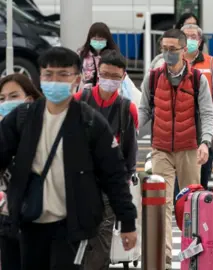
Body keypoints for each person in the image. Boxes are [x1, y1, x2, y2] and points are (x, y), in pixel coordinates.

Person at [0, 47, 137, 269]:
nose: (55, 80)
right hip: (29, 220)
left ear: (77, 79)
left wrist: (128, 222)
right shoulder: (23, 117)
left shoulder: (90, 122)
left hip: (71, 225)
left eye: (63, 74)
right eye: (48, 74)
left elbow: (114, 175)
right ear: (40, 77)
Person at [137, 29, 213, 270]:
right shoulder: (152, 78)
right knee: (162, 204)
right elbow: (144, 111)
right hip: (161, 149)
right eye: (164, 48)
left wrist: (205, 142)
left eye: (172, 49)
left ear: (184, 50)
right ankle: (165, 258)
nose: (167, 53)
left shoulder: (197, 79)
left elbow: (207, 113)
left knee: (190, 206)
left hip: (189, 149)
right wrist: (131, 134)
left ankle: (193, 255)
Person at [73, 49, 139, 269]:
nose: (109, 80)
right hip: (77, 184)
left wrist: (123, 184)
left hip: (108, 187)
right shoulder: (79, 100)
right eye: (105, 74)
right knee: (73, 242)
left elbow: (130, 152)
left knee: (101, 243)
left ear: (123, 77)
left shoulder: (126, 109)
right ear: (97, 73)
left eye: (115, 76)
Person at [0, 74, 42, 270]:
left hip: (39, 222)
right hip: (7, 223)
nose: (7, 102)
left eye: (13, 96)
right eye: (2, 98)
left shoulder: (43, 131)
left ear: (29, 99)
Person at [181, 24, 213, 189]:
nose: (190, 40)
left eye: (194, 37)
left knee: (203, 173)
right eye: (186, 36)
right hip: (180, 125)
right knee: (180, 176)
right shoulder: (174, 62)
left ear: (200, 41)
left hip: (203, 123)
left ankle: (199, 206)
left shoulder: (210, 62)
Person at [78, 22, 141, 105]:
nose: (97, 41)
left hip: (107, 95)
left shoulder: (113, 56)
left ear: (107, 39)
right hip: (86, 96)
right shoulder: (82, 54)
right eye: (95, 38)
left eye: (101, 39)